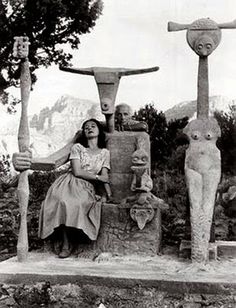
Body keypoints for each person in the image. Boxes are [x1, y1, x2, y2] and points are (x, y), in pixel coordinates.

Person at [15, 119, 111, 258]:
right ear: (83, 133)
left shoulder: (104, 153)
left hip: (87, 186)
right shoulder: (78, 148)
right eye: (86, 127)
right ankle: (66, 243)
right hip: (69, 182)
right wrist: (97, 178)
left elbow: (105, 176)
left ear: (99, 131)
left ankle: (75, 240)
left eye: (93, 126)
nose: (89, 128)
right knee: (62, 201)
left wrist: (106, 194)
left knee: (79, 204)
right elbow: (77, 171)